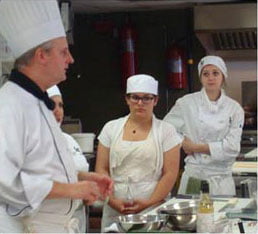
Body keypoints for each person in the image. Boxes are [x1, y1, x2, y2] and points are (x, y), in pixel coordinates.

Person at [0, 1, 112, 233]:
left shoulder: (39, 103)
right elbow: (4, 180)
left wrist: (82, 177)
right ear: (42, 55)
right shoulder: (9, 104)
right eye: (63, 52)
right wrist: (74, 190)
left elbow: (41, 168)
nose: (70, 59)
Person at [95, 74, 182, 231]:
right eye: (135, 97)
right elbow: (101, 169)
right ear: (127, 99)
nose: (140, 103)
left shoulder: (166, 131)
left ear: (155, 100)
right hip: (115, 207)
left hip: (152, 209)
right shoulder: (110, 128)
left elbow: (170, 173)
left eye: (147, 98)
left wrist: (149, 203)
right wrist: (111, 200)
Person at [164, 55, 244, 196]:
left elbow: (232, 148)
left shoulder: (234, 108)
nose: (210, 78)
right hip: (194, 176)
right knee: (191, 216)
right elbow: (166, 128)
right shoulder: (186, 103)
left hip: (221, 180)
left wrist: (195, 147)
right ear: (200, 78)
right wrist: (182, 141)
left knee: (222, 217)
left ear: (223, 76)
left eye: (215, 73)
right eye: (205, 74)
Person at [47, 85, 89, 233]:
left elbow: (75, 172)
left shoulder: (68, 140)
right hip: (45, 223)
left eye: (60, 105)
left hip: (74, 219)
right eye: (51, 105)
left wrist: (92, 181)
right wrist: (75, 190)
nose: (57, 111)